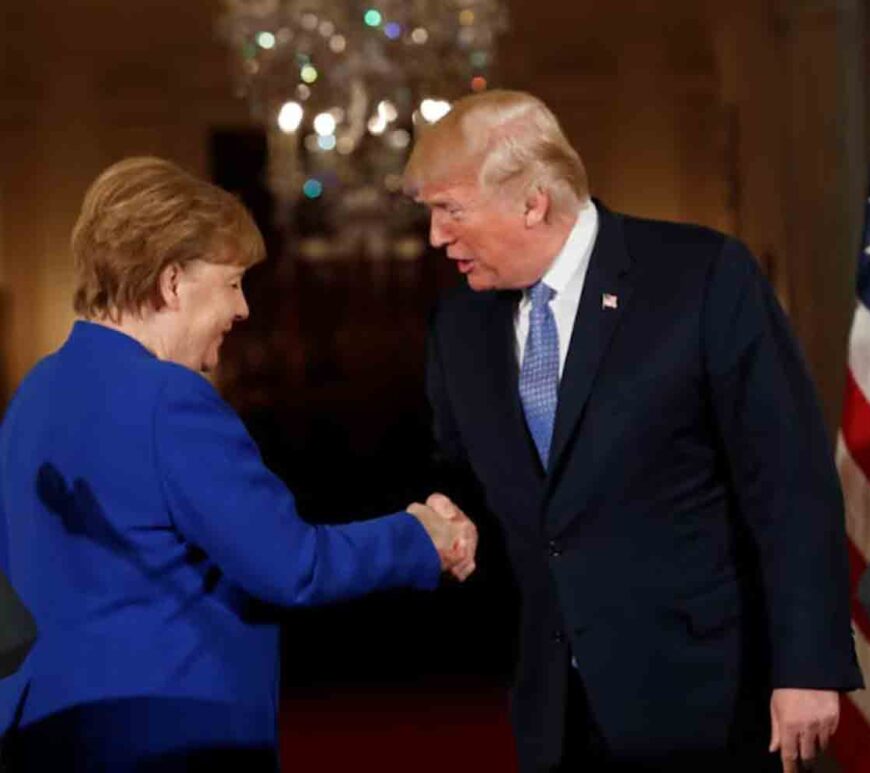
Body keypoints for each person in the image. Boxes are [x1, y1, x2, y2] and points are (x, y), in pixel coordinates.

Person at [404, 89, 863, 772]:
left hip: (709, 700)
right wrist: (438, 509)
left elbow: (789, 481)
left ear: (532, 201)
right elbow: (458, 472)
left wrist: (808, 666)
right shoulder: (459, 327)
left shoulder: (703, 276)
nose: (437, 236)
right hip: (555, 711)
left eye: (451, 209)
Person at [0, 156, 477, 771]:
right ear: (172, 283)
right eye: (231, 283)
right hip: (165, 737)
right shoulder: (169, 401)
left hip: (43, 736)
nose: (244, 308)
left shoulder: (36, 390)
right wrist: (422, 538)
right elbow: (290, 566)